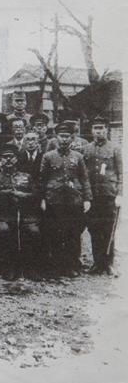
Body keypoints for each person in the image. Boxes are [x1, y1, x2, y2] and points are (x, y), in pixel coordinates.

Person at [40, 122, 92, 277]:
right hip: (54, 201)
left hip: (73, 201)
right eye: (61, 136)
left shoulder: (78, 157)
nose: (64, 140)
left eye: (67, 137)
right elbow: (42, 179)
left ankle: (71, 265)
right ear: (56, 138)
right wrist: (42, 198)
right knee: (54, 233)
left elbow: (85, 179)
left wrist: (87, 198)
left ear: (72, 138)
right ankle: (56, 265)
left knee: (73, 233)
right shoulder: (48, 156)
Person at [0, 144, 40, 280]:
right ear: (0, 160)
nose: (8, 160)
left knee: (33, 231)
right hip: (3, 215)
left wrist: (23, 195)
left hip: (25, 215)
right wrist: (8, 193)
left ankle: (29, 267)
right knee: (4, 230)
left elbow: (35, 194)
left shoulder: (26, 176)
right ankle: (8, 266)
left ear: (17, 159)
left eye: (12, 157)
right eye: (5, 157)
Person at [83, 116, 122, 275]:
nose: (98, 131)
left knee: (108, 229)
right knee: (94, 229)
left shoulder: (115, 149)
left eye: (101, 128)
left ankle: (109, 263)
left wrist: (120, 193)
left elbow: (121, 173)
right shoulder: (87, 149)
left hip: (108, 195)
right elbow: (84, 173)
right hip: (93, 196)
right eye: (95, 128)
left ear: (107, 130)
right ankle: (97, 263)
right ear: (91, 131)